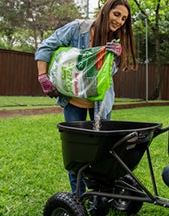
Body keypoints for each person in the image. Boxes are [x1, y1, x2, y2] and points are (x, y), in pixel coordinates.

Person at [34, 0, 137, 195]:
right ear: (106, 11)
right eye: (117, 14)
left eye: (124, 18)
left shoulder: (115, 41)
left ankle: (99, 193)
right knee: (77, 153)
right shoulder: (77, 29)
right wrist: (42, 76)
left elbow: (108, 73)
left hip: (101, 104)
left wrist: (112, 59)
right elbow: (46, 47)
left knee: (103, 150)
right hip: (73, 101)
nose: (120, 21)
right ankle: (78, 197)